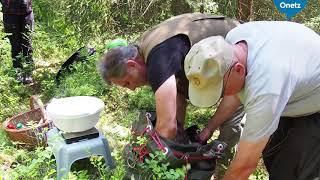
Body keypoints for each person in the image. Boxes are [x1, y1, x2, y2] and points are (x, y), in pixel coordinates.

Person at [98, 12, 245, 177]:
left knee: (229, 127)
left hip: (243, 54)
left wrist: (150, 158)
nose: (131, 89)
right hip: (219, 59)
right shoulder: (143, 50)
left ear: (132, 65)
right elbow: (177, 98)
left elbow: (167, 128)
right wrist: (178, 136)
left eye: (127, 82)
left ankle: (224, 170)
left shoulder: (158, 57)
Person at [184, 21, 320, 179]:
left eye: (220, 90)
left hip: (315, 102)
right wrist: (208, 129)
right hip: (295, 85)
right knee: (273, 155)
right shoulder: (232, 42)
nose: (220, 95)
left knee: (295, 167)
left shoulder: (266, 84)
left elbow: (244, 166)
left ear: (239, 70)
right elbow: (234, 93)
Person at [1, 0, 34, 84]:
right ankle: (18, 72)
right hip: (9, 13)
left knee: (27, 44)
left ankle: (28, 72)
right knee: (15, 45)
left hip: (27, 12)